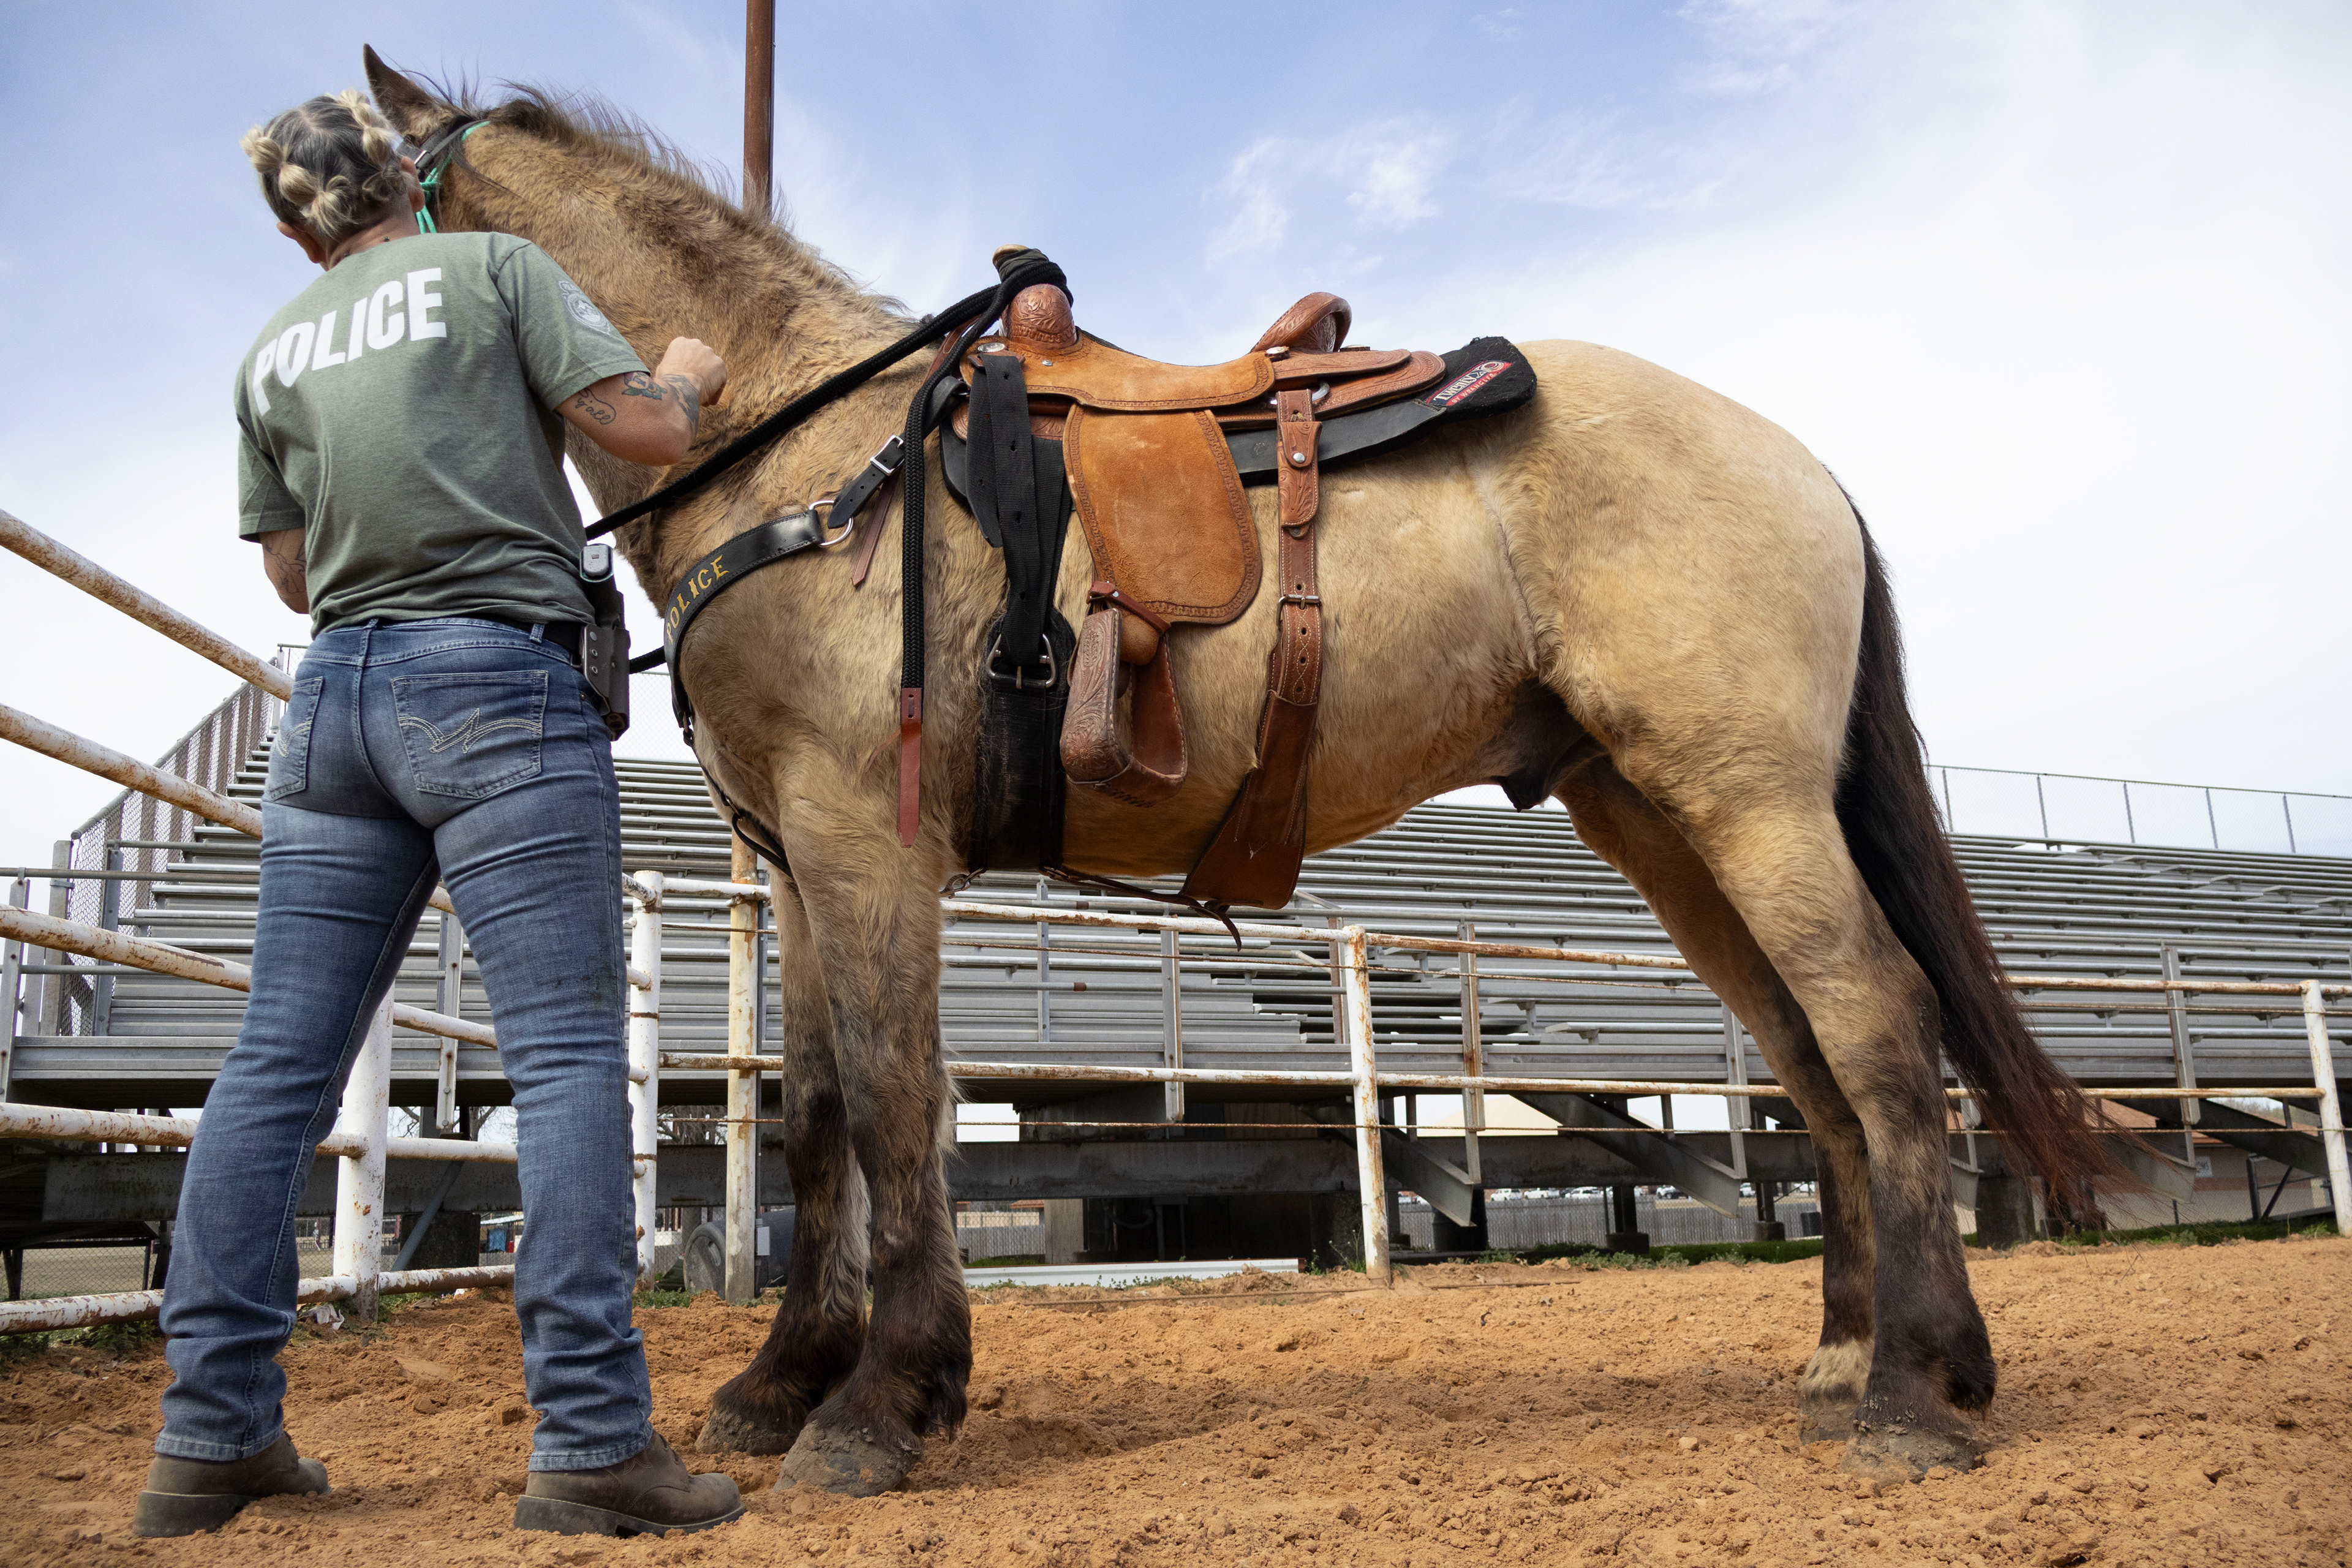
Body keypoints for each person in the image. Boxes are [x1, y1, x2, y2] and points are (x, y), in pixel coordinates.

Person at [135, 88, 740, 1540]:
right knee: (572, 1057)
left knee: (276, 1063)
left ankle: (209, 1433)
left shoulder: (269, 353)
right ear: (410, 176)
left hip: (331, 701)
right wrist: (692, 374)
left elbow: (287, 576)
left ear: (295, 231)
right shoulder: (495, 272)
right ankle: (591, 1438)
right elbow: (642, 433)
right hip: (495, 683)